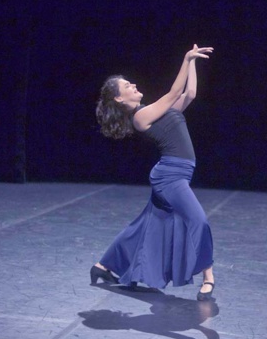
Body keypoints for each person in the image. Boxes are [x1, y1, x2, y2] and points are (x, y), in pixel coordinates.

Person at [90, 44, 217, 301]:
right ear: (119, 99)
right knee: (198, 221)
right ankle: (208, 277)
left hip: (176, 173)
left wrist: (193, 61)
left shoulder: (157, 111)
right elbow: (174, 92)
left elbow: (189, 93)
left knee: (145, 225)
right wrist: (185, 59)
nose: (134, 85)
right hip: (170, 178)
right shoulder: (141, 117)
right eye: (127, 86)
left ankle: (102, 266)